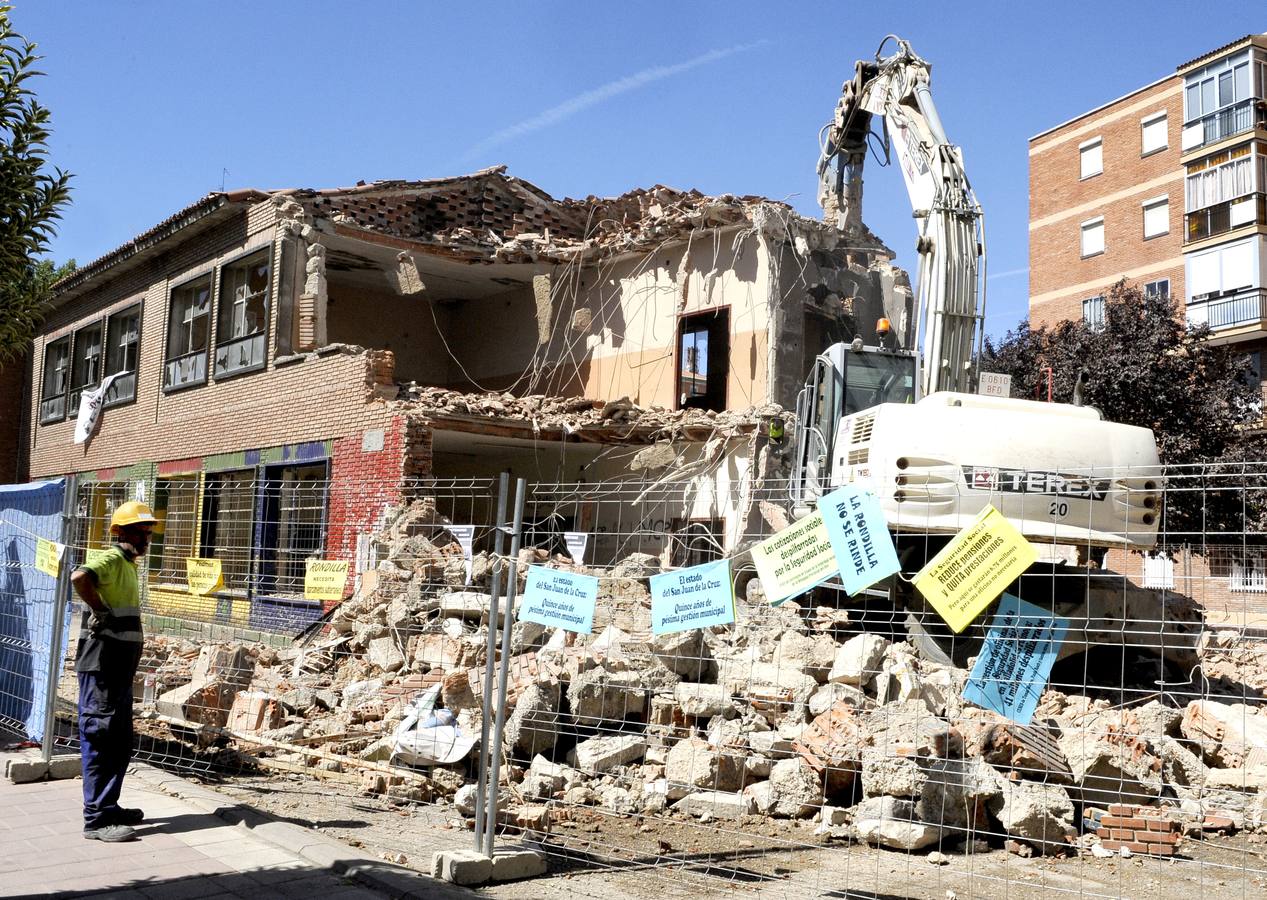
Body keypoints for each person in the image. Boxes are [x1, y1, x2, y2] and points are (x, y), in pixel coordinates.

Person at [70, 500, 156, 843]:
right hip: (101, 667)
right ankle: (97, 820)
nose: (146, 536)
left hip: (117, 670)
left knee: (119, 742)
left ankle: (109, 805)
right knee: (101, 737)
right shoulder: (111, 557)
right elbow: (80, 577)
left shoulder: (128, 565)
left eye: (148, 531)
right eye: (139, 530)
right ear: (121, 532)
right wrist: (99, 610)